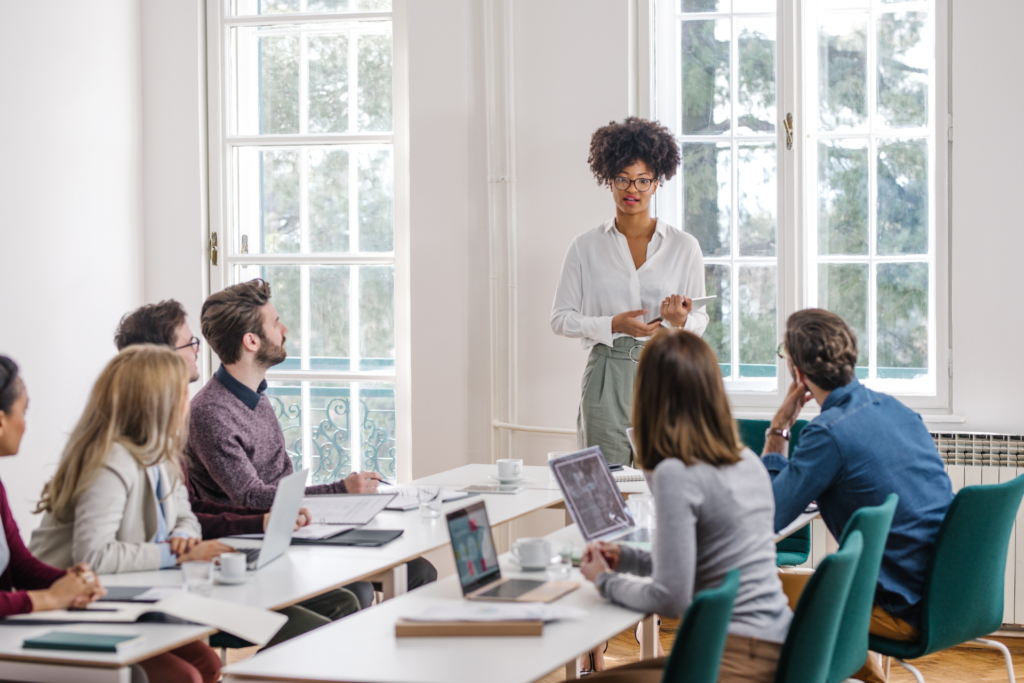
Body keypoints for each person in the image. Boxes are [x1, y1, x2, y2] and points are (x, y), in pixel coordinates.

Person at [114, 301, 363, 639]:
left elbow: (187, 513)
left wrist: (263, 521)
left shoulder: (239, 405)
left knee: (348, 599)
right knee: (326, 617)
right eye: (189, 344)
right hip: (166, 581)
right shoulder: (151, 435)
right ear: (159, 359)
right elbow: (240, 498)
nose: (197, 351)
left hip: (195, 563)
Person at [185, 280, 436, 603]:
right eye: (275, 323)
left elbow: (283, 481)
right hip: (255, 539)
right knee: (355, 592)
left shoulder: (255, 396)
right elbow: (249, 497)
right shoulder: (211, 413)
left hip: (295, 526)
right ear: (251, 341)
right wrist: (339, 491)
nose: (284, 328)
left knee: (419, 571)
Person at [579, 329, 792, 683]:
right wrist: (627, 557)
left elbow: (670, 597)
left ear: (648, 396)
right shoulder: (747, 461)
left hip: (733, 657)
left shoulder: (676, 473)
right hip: (778, 645)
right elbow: (702, 563)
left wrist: (603, 580)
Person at [762, 309, 953, 683]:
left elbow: (768, 517)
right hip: (944, 593)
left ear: (797, 373)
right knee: (834, 580)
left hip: (901, 608)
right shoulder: (896, 409)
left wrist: (778, 430)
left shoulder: (829, 433)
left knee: (754, 588)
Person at [4, 353, 219, 683]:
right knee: (185, 675)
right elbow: (94, 554)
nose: (189, 405)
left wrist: (74, 583)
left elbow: (19, 563)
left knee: (207, 664)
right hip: (45, 608)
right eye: (24, 410)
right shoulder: (111, 460)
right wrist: (50, 596)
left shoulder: (161, 454)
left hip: (84, 593)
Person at [551, 117, 709, 468]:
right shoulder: (585, 246)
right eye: (622, 179)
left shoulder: (684, 246)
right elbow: (560, 319)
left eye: (642, 180)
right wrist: (613, 324)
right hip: (606, 374)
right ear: (609, 180)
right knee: (605, 483)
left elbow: (700, 314)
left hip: (665, 371)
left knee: (667, 481)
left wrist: (681, 321)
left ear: (657, 183)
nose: (631, 189)